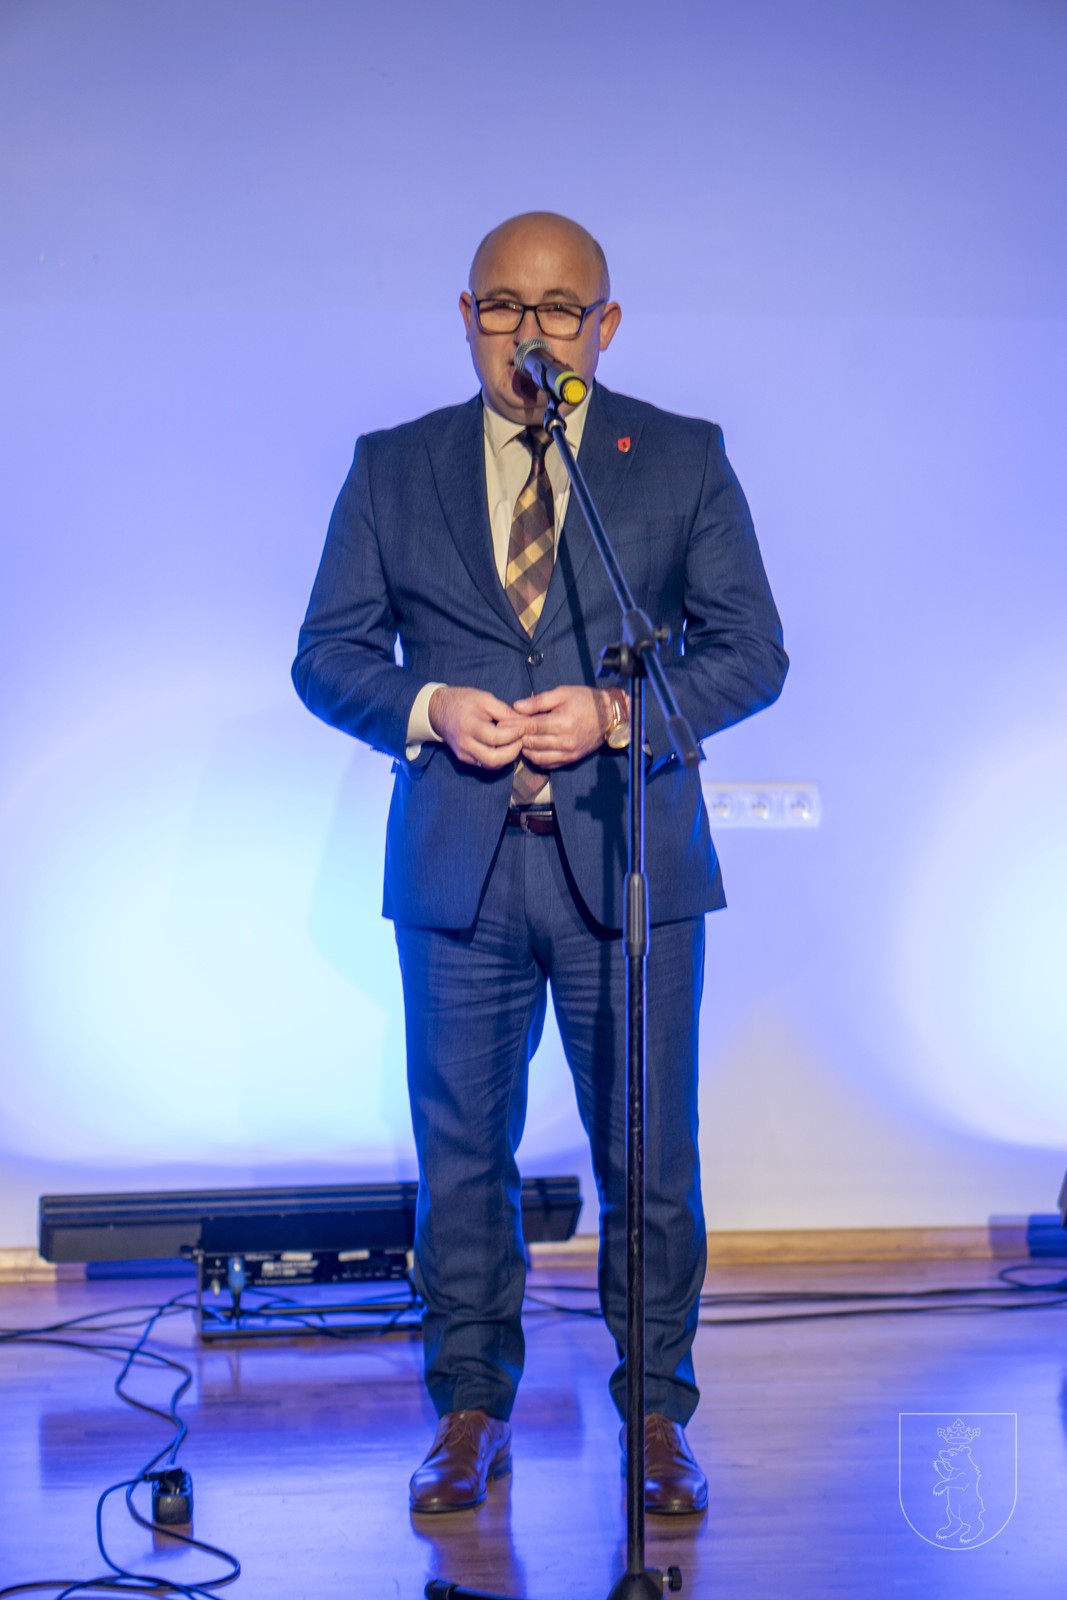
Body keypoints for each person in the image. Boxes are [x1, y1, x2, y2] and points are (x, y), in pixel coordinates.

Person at [293, 211, 787, 1517]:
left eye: (560, 309)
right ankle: (470, 1410)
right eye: (504, 307)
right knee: (463, 1159)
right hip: (459, 861)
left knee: (650, 1159)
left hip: (626, 859)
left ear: (603, 327)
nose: (531, 332)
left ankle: (656, 1419)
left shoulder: (677, 458)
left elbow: (751, 651)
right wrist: (428, 706)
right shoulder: (393, 466)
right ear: (467, 319)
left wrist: (622, 713)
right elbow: (326, 656)